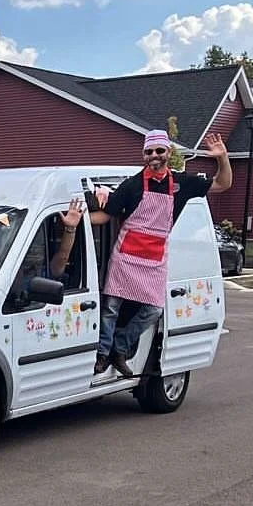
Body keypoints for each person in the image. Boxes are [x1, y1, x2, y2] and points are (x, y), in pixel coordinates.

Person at [80, 129, 231, 377]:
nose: (154, 156)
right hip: (126, 256)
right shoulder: (131, 186)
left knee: (154, 310)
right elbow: (106, 216)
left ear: (168, 153)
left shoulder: (183, 184)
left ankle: (121, 347)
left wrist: (222, 158)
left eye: (159, 151)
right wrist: (78, 218)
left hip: (155, 258)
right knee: (111, 308)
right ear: (143, 155)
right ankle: (103, 354)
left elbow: (223, 184)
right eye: (149, 152)